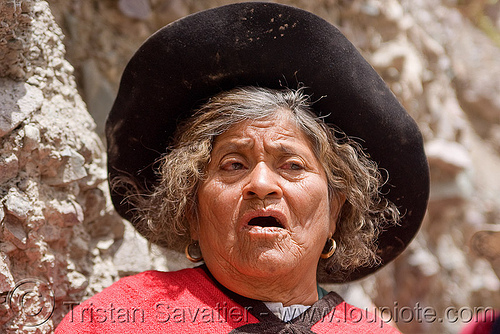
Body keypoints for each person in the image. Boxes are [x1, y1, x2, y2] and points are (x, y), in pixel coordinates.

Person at [56, 2, 429, 333]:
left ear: (336, 210)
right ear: (190, 210)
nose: (262, 184)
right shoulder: (120, 319)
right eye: (233, 165)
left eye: (293, 166)